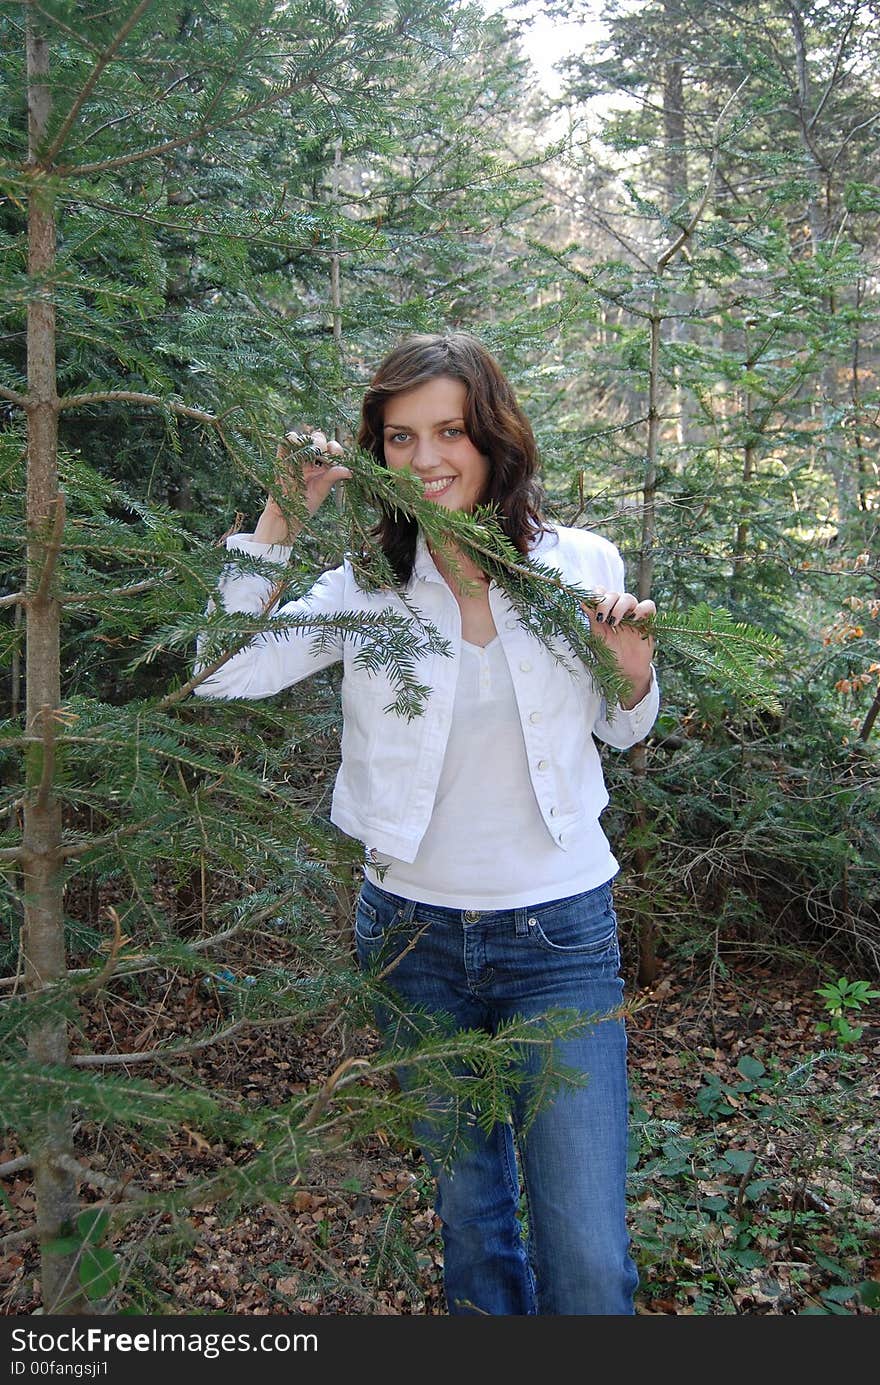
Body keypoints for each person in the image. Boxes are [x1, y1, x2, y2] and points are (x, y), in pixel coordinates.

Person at [193, 332, 659, 1315]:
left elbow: (623, 725)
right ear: (377, 450)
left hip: (560, 937)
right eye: (400, 437)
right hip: (412, 941)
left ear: (492, 438)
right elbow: (222, 670)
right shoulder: (365, 588)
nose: (428, 458)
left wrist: (631, 665)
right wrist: (281, 511)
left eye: (449, 430)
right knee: (474, 1235)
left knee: (584, 1256)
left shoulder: (579, 561)